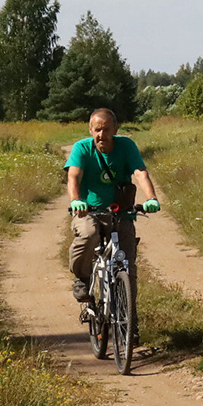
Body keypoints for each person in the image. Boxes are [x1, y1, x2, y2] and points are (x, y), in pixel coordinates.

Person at [65, 108, 161, 302]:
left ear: (115, 129)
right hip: (89, 212)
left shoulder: (126, 146)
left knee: (127, 267)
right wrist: (76, 200)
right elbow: (73, 176)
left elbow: (140, 172)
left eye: (107, 129)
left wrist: (151, 198)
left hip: (121, 213)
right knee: (88, 234)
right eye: (98, 130)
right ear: (91, 130)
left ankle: (130, 325)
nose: (102, 135)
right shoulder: (82, 148)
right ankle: (83, 278)